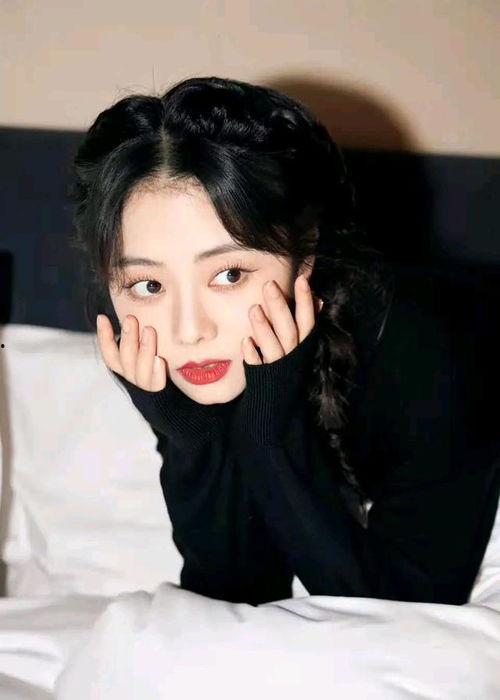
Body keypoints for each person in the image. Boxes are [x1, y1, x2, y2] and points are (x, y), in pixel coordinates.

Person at [69, 76, 500, 607]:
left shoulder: (433, 352)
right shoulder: (191, 355)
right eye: (149, 285)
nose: (189, 330)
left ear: (306, 250)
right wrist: (192, 435)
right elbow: (237, 595)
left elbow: (400, 611)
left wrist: (271, 430)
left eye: (229, 275)